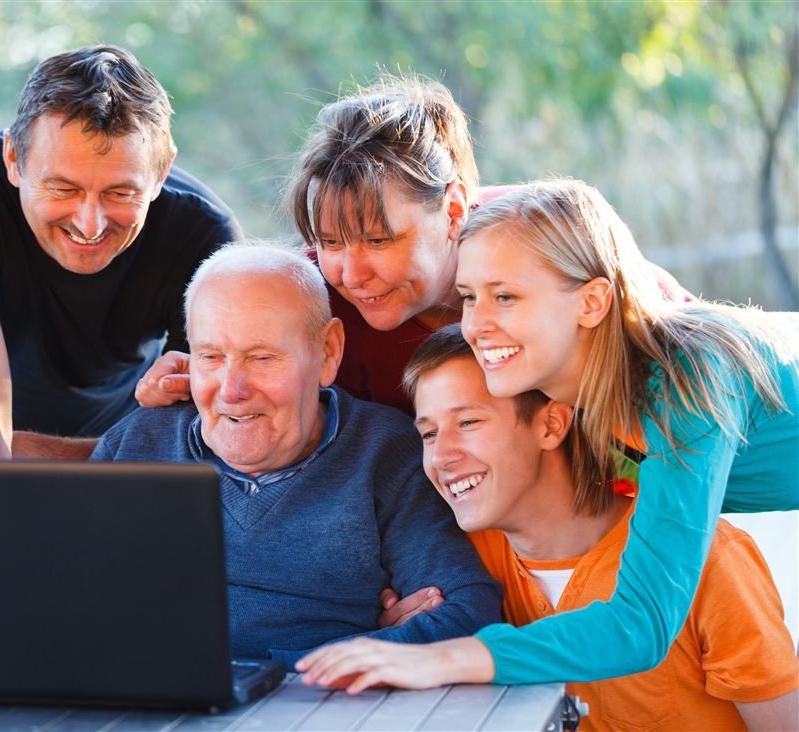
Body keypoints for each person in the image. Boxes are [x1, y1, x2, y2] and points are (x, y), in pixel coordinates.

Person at [297, 179, 799, 691]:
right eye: (470, 297)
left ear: (592, 302)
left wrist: (444, 660)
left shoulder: (685, 383)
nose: (478, 325)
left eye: (506, 297)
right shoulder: (566, 391)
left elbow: (642, 626)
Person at [135, 74, 687, 416]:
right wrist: (191, 378)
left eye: (379, 239)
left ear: (453, 210)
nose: (351, 273)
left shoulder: (541, 234)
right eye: (329, 240)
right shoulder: (311, 294)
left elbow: (660, 327)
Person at [91, 241, 502, 663]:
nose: (232, 391)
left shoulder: (383, 453)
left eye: (262, 357)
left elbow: (467, 612)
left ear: (328, 353)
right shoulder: (135, 446)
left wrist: (290, 670)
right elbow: (56, 600)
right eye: (211, 357)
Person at [392, 325, 797, 729]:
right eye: (429, 433)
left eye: (467, 423)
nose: (441, 456)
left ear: (550, 425)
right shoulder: (460, 565)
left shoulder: (708, 562)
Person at [0, 45, 241, 458]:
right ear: (12, 158)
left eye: (120, 193)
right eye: (63, 189)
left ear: (161, 172)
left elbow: (195, 442)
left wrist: (39, 453)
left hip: (112, 461)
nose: (90, 223)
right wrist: (14, 457)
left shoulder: (205, 237)